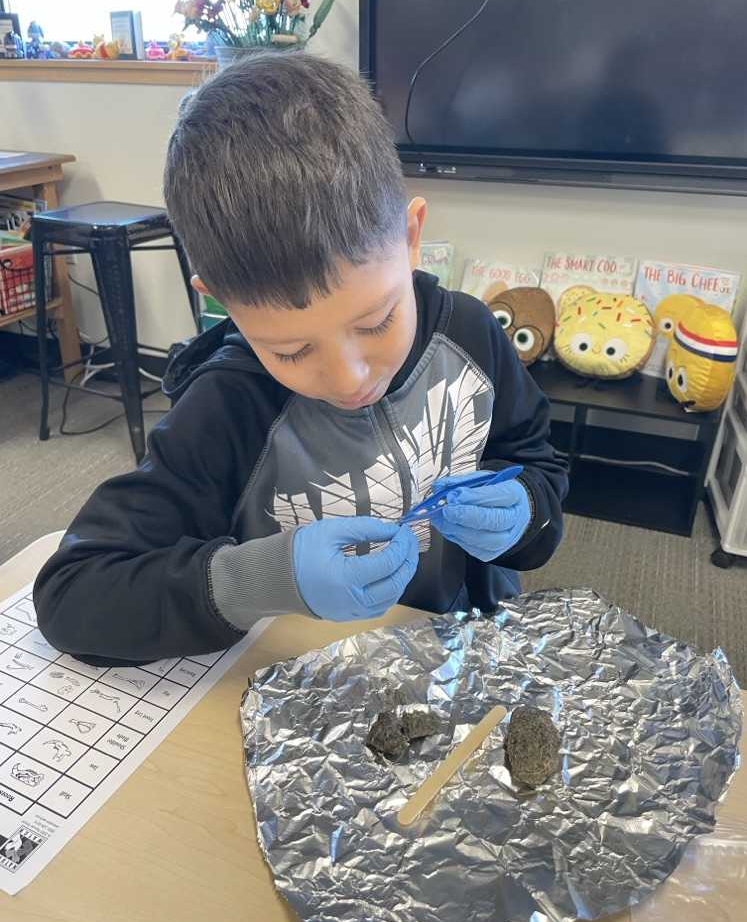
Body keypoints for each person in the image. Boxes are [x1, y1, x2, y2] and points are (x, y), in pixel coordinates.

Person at [33, 51, 568, 666]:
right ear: (223, 307)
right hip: (306, 688)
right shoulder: (229, 405)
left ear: (412, 236)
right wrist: (263, 577)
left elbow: (536, 463)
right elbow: (72, 594)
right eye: (290, 349)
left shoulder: (472, 335)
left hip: (462, 651)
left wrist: (527, 512)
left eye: (376, 322)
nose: (349, 377)